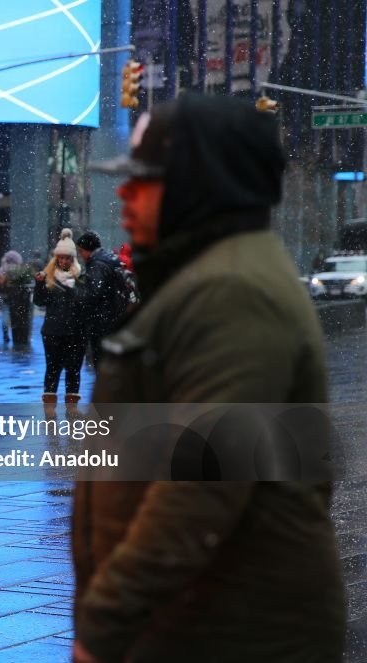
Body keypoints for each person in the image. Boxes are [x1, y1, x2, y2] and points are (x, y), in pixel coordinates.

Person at [72, 94, 345, 663]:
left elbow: (202, 486)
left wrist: (104, 623)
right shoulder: (208, 276)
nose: (123, 194)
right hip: (198, 620)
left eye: (143, 180)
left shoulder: (231, 291)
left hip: (225, 630)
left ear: (199, 189)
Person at [32, 229, 85, 418]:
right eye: (60, 258)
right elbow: (39, 301)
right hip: (53, 331)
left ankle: (71, 407)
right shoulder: (49, 278)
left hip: (75, 332)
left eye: (67, 258)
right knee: (52, 368)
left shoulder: (80, 277)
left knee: (73, 369)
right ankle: (50, 407)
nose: (63, 261)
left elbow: (82, 301)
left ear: (72, 259)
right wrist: (39, 284)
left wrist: (72, 289)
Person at [74, 231, 127, 367]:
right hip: (115, 316)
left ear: (87, 249)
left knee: (102, 362)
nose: (80, 254)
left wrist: (74, 289)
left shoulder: (97, 264)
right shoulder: (110, 258)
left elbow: (92, 293)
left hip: (102, 321)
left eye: (81, 250)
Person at [0, 249, 24, 344]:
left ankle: (5, 333)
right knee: (17, 315)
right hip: (16, 296)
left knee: (5, 314)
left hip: (3, 295)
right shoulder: (18, 269)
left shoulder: (2, 269)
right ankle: (18, 334)